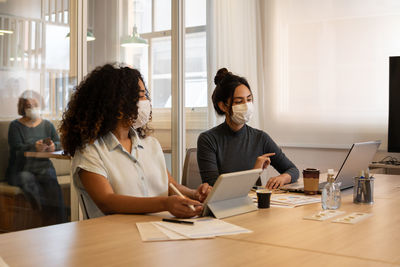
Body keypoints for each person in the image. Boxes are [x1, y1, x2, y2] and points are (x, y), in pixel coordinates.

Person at [60, 63, 211, 219]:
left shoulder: (151, 145)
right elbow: (107, 201)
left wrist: (195, 194)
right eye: (140, 96)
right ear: (116, 104)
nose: (146, 101)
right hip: (115, 237)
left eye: (145, 95)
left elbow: (170, 186)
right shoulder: (90, 151)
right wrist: (165, 204)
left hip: (159, 232)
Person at [197, 68, 299, 189]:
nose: (246, 106)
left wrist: (282, 178)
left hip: (254, 204)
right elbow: (214, 186)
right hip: (225, 205)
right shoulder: (208, 139)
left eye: (249, 99)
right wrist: (255, 171)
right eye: (239, 101)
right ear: (223, 106)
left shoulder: (260, 138)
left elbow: (292, 170)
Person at [6, 90, 67, 224]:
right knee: (28, 180)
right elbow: (16, 148)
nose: (33, 109)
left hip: (43, 168)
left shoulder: (47, 125)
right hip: (21, 169)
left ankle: (60, 221)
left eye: (35, 105)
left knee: (52, 183)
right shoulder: (15, 126)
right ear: (23, 108)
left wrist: (52, 146)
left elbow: (59, 143)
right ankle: (42, 219)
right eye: (29, 106)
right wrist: (34, 146)